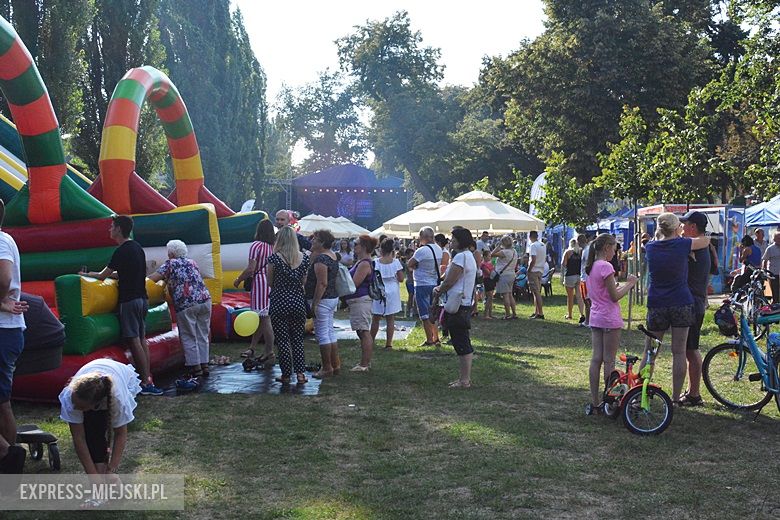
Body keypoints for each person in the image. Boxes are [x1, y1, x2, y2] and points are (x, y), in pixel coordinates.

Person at [82, 215, 162, 396]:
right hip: (142, 298)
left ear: (119, 229)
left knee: (133, 340)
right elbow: (124, 273)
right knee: (141, 339)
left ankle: (145, 382)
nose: (109, 229)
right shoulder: (136, 248)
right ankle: (148, 379)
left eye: (111, 226)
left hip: (129, 300)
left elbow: (103, 275)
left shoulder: (121, 251)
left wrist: (86, 274)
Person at [641, 212, 710, 404]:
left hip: (657, 303)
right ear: (675, 228)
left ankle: (640, 392)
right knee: (679, 353)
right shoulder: (682, 244)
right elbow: (704, 241)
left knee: (650, 352)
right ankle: (674, 398)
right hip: (681, 302)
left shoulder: (651, 247)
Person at [59, 359, 141, 478]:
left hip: (120, 375)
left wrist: (112, 470)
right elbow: (78, 437)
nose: (75, 407)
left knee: (98, 425)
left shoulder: (117, 399)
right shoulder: (69, 397)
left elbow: (120, 434)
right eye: (74, 403)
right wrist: (93, 475)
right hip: (95, 375)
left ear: (95, 405)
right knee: (92, 434)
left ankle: (106, 480)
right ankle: (100, 481)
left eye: (81, 407)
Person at [584, 234, 637, 414]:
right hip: (609, 317)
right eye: (614, 249)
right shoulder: (605, 266)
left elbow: (605, 292)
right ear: (607, 247)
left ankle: (596, 401)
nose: (615, 253)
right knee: (609, 361)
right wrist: (630, 284)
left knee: (596, 358)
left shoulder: (591, 267)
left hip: (596, 316)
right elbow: (614, 296)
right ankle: (609, 401)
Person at [149, 240, 212, 384]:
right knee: (202, 334)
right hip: (204, 300)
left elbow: (153, 279)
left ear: (171, 253)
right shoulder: (192, 262)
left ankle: (195, 368)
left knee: (188, 335)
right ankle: (205, 365)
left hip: (186, 303)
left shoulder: (170, 264)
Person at [0, 199, 28, 473]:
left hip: (3, 329)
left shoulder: (0, 241)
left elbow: (4, 279)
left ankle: (8, 455)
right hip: (8, 329)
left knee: (3, 403)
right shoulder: (6, 238)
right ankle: (8, 461)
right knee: (2, 403)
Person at [433, 228, 478, 388]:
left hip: (457, 304)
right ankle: (464, 378)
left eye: (453, 238)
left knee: (461, 342)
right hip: (464, 303)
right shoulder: (469, 257)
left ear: (460, 240)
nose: (450, 241)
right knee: (462, 340)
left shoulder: (460, 258)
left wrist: (439, 289)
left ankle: (464, 380)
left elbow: (450, 281)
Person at [267, 226, 310, 385]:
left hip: (279, 301)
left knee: (283, 339)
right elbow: (303, 281)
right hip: (298, 300)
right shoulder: (304, 258)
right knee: (298, 339)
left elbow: (269, 282)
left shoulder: (274, 258)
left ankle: (286, 374)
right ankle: (300, 374)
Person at [678, 211, 711, 406]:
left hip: (692, 304)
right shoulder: (701, 244)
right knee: (690, 349)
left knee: (691, 350)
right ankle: (692, 392)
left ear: (693, 227)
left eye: (684, 225)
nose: (681, 229)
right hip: (695, 302)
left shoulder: (695, 245)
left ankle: (694, 394)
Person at [233, 219, 276, 363]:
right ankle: (252, 347)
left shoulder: (256, 245)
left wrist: (239, 279)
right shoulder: (272, 247)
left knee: (264, 318)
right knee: (260, 316)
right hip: (270, 281)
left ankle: (269, 351)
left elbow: (251, 268)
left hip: (260, 282)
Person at [304, 229, 341, 378]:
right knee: (329, 332)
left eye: (315, 240)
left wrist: (315, 304)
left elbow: (322, 283)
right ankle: (335, 364)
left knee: (322, 334)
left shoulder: (321, 259)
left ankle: (327, 367)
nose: (312, 241)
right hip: (331, 298)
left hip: (322, 299)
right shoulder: (332, 256)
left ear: (322, 243)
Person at [346, 235, 378, 371]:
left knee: (364, 332)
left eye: (356, 244)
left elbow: (354, 283)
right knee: (362, 331)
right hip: (358, 300)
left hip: (361, 300)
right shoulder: (361, 262)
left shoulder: (364, 263)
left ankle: (364, 364)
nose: (354, 246)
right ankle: (365, 362)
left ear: (364, 247)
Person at [408, 227, 443, 347]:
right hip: (434, 283)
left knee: (424, 314)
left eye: (420, 237)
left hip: (422, 283)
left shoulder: (422, 250)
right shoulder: (439, 249)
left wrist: (416, 266)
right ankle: (436, 337)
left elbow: (410, 264)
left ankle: (429, 340)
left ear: (425, 237)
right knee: (433, 312)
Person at [371, 239, 404, 350]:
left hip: (380, 289)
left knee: (376, 317)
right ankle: (388, 344)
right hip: (392, 289)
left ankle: (371, 340)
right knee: (390, 318)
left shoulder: (375, 262)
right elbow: (401, 279)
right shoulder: (396, 262)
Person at [491, 235, 518, 320]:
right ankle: (514, 313)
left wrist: (498, 246)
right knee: (510, 294)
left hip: (504, 275)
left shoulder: (504, 252)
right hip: (512, 274)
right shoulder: (514, 251)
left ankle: (507, 314)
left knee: (505, 295)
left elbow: (492, 254)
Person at [562, 238, 585, 322]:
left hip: (569, 276)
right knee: (579, 296)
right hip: (579, 275)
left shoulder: (568, 252)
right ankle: (582, 314)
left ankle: (570, 314)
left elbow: (564, 264)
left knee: (570, 296)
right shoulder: (580, 252)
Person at [527, 230, 546, 319]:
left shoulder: (533, 245)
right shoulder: (543, 245)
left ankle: (540, 313)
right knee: (536, 292)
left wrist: (529, 269)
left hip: (534, 270)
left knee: (536, 292)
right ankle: (536, 311)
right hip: (540, 269)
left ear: (530, 237)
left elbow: (533, 259)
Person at [762, 232, 780, 304]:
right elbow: (765, 260)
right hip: (773, 273)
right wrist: (765, 272)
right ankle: (776, 307)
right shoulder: (770, 248)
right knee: (775, 292)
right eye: (779, 238)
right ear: (774, 239)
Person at [480, 250, 496, 319]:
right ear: (485, 256)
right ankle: (485, 314)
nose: (490, 257)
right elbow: (488, 273)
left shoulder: (489, 263)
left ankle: (490, 313)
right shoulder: (483, 264)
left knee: (491, 298)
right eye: (489, 256)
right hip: (487, 280)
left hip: (491, 280)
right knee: (489, 297)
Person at [402, 247, 416, 318]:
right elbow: (411, 270)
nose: (412, 256)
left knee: (414, 296)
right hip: (410, 282)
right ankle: (409, 310)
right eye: (411, 254)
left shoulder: (412, 261)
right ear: (407, 255)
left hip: (413, 282)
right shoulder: (408, 262)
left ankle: (413, 310)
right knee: (411, 296)